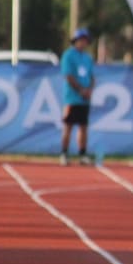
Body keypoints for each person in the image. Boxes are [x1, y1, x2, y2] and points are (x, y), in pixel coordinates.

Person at [59, 26, 96, 166]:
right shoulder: (68, 55)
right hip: (72, 98)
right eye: (81, 40)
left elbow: (91, 76)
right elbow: (68, 75)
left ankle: (82, 154)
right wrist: (80, 90)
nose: (84, 43)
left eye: (86, 40)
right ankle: (64, 153)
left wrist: (89, 90)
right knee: (68, 126)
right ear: (75, 40)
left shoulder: (87, 58)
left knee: (83, 127)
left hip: (84, 99)